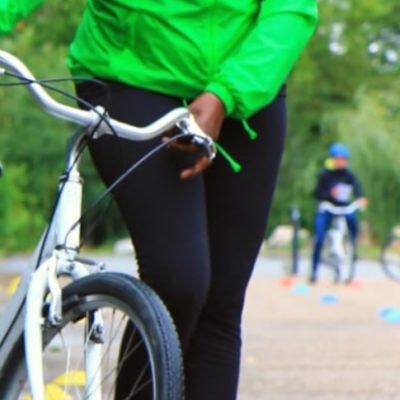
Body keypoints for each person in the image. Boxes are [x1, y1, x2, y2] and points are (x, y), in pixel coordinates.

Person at [0, 1, 318, 399]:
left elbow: (291, 10)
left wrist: (227, 94)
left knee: (221, 303)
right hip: (132, 75)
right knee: (178, 281)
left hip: (249, 82)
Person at [310, 143, 368, 284]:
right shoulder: (325, 175)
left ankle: (352, 244)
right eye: (338, 159)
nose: (340, 162)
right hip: (327, 207)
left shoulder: (349, 176)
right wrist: (329, 193)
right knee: (319, 237)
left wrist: (361, 198)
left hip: (342, 207)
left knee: (352, 220)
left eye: (343, 159)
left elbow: (357, 189)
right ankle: (314, 270)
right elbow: (316, 193)